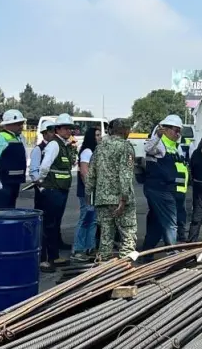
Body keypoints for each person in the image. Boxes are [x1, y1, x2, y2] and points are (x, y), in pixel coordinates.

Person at [88, 118, 137, 260]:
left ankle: (103, 268)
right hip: (120, 201)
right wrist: (123, 199)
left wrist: (89, 195)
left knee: (105, 237)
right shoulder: (125, 147)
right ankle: (125, 270)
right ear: (124, 130)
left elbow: (91, 173)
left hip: (102, 200)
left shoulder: (100, 147)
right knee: (128, 236)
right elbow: (125, 175)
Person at [31, 113, 76, 270]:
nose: (68, 131)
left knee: (55, 225)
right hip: (52, 190)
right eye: (65, 128)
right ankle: (45, 259)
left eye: (70, 128)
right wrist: (42, 182)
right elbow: (44, 166)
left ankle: (54, 256)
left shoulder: (64, 145)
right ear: (58, 129)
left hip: (60, 189)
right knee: (48, 225)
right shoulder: (54, 145)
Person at [140, 115, 188, 255]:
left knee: (156, 224)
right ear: (165, 129)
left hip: (171, 190)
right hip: (159, 190)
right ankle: (172, 255)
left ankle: (146, 255)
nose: (178, 134)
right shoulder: (159, 143)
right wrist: (157, 136)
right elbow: (147, 148)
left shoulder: (175, 147)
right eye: (175, 130)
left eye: (180, 131)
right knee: (170, 223)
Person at [0, 109, 28, 209]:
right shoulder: (0, 138)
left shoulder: (18, 138)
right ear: (8, 124)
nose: (21, 126)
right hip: (1, 186)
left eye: (21, 123)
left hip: (13, 184)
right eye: (17, 124)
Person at [71, 127, 100, 262]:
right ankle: (78, 249)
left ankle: (90, 247)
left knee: (93, 220)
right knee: (85, 220)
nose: (100, 137)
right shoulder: (87, 152)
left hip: (94, 191)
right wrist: (90, 190)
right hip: (87, 192)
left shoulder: (95, 151)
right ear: (91, 137)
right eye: (97, 135)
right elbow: (84, 172)